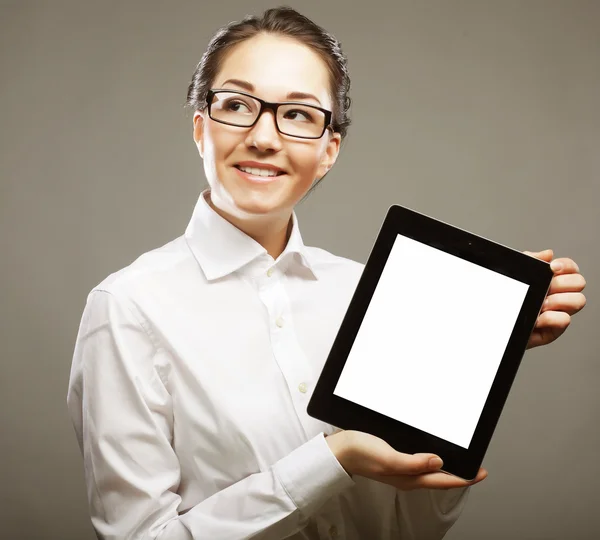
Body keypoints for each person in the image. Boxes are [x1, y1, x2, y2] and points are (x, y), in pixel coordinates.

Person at [67, 7, 587, 540]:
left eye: (297, 114)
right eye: (238, 105)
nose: (265, 137)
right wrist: (332, 459)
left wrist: (476, 358)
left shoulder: (371, 294)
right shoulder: (128, 307)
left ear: (328, 150)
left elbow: (411, 526)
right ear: (201, 128)